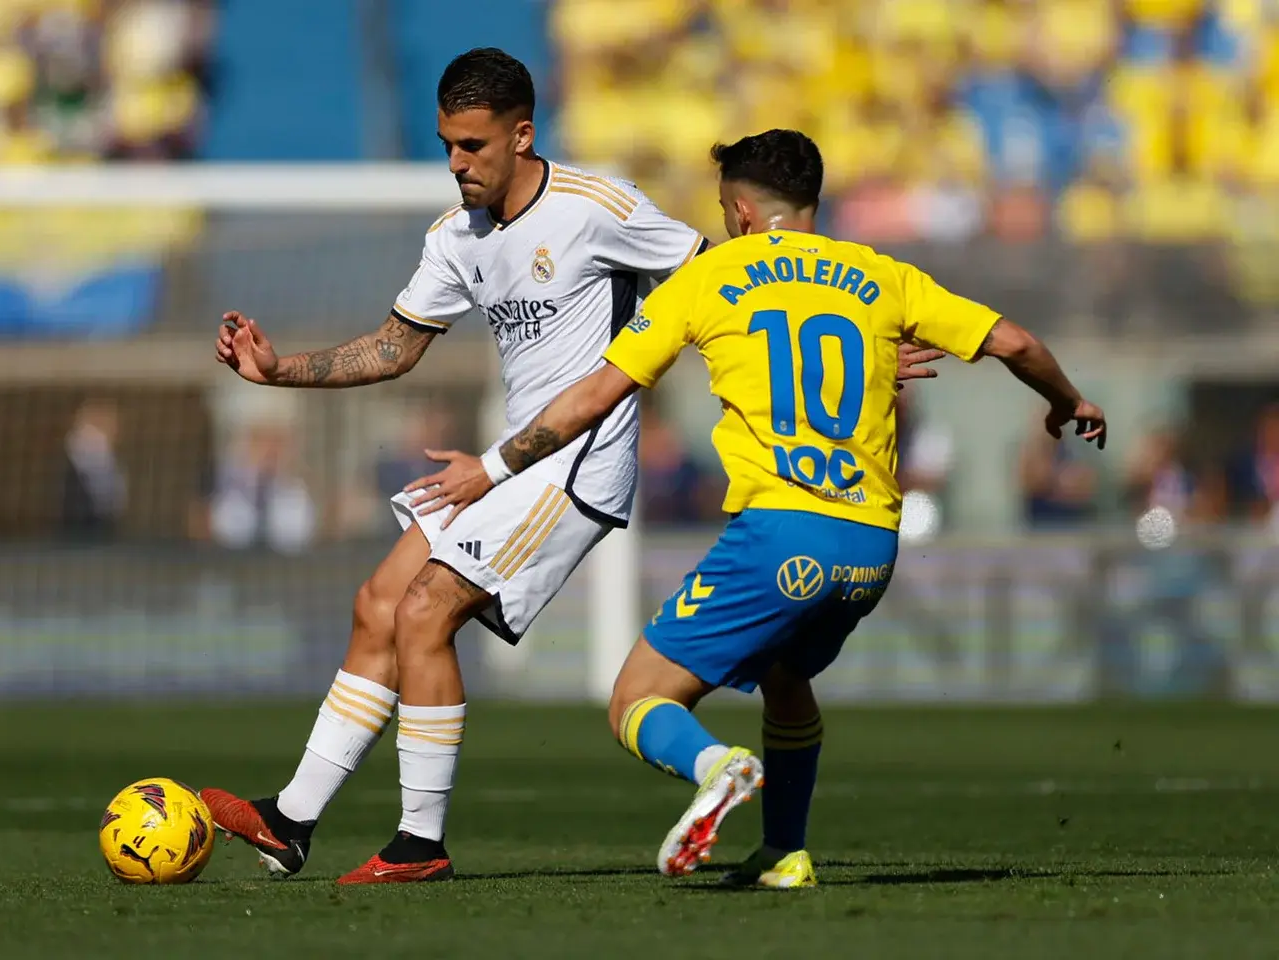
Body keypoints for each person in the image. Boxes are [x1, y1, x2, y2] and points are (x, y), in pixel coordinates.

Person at [201, 50, 942, 885]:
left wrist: (854, 342)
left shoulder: (600, 208)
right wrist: (280, 370)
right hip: (507, 460)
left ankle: (419, 842)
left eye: (473, 146)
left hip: (576, 465)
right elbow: (395, 346)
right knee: (375, 604)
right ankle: (291, 819)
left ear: (522, 135)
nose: (456, 163)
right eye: (448, 144)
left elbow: (732, 281)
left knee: (423, 611)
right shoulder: (454, 236)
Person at [406, 129, 1107, 887]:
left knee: (636, 699)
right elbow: (1015, 341)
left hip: (781, 535)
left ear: (739, 211)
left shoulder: (711, 278)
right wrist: (1066, 402)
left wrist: (495, 464)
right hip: (872, 545)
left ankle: (718, 767)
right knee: (783, 676)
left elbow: (593, 396)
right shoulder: (881, 275)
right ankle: (785, 851)